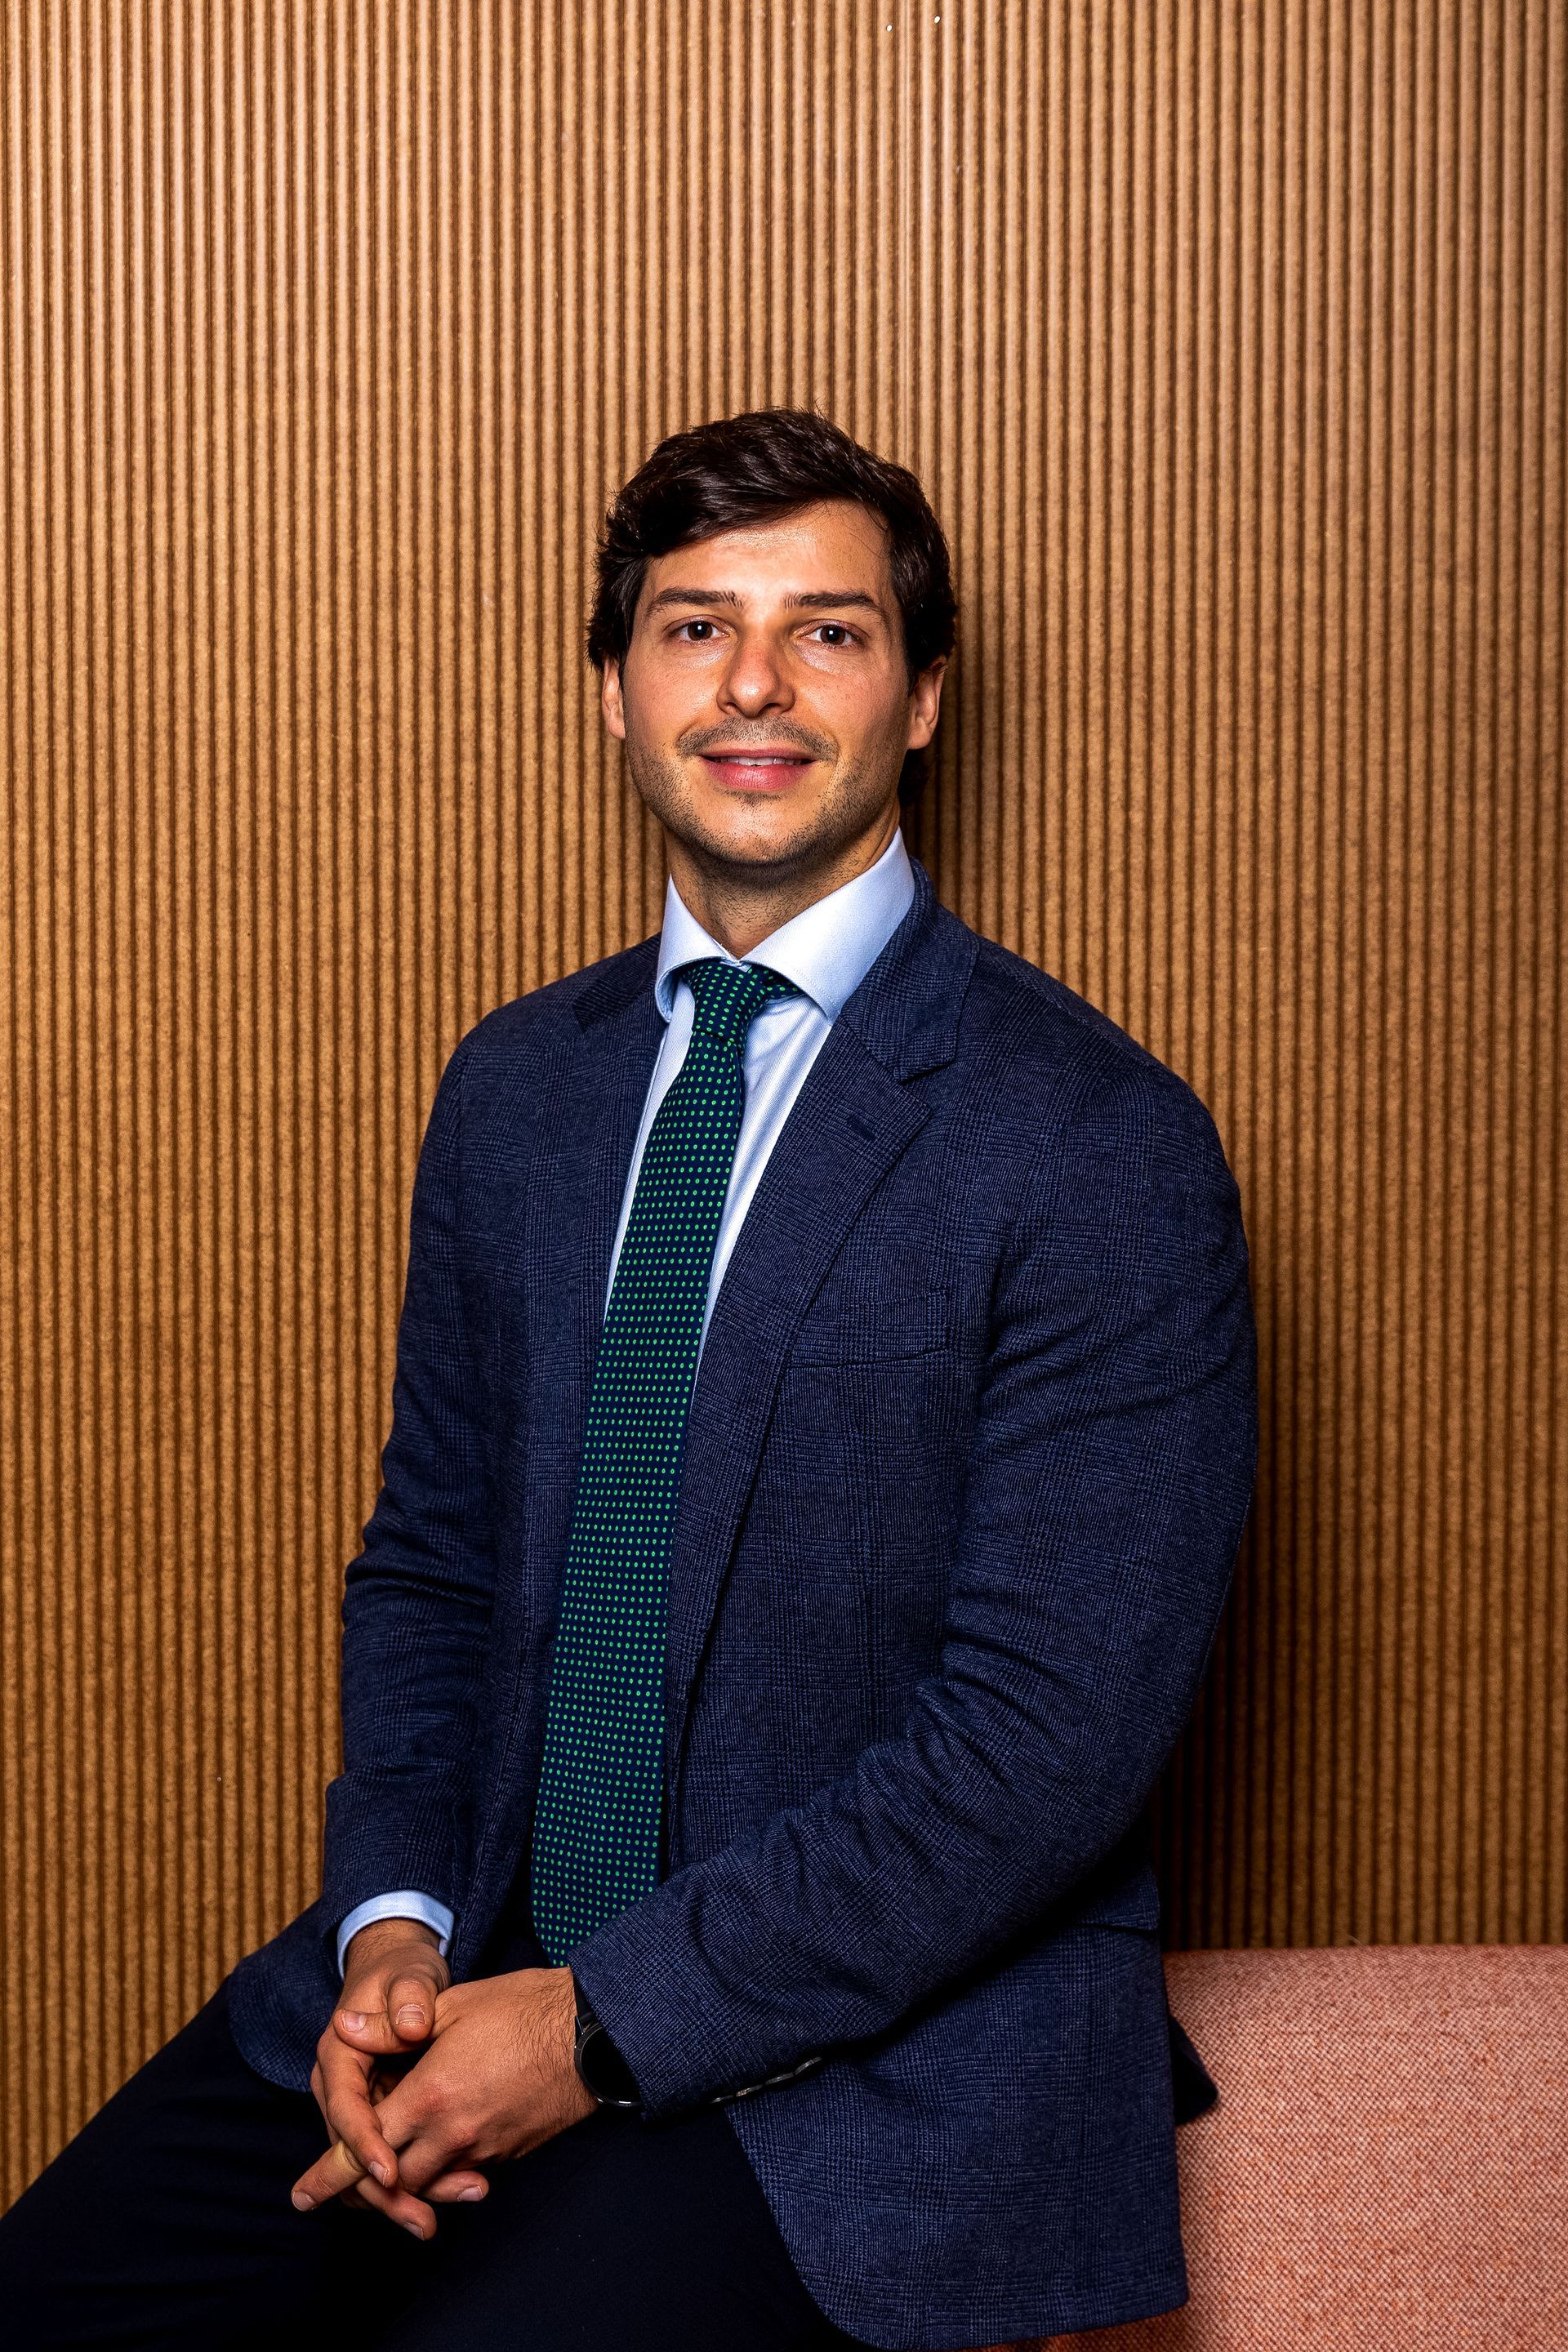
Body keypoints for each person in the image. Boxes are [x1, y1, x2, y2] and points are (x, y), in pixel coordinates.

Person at [0, 408, 1256, 2350]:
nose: (753, 683)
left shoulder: (1098, 1144)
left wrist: (591, 2026)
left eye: (827, 631)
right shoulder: (517, 1089)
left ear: (924, 697)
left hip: (866, 2068)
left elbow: (1037, 1757)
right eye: (694, 628)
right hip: (478, 1951)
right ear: (615, 689)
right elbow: (433, 1565)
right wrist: (398, 1929)